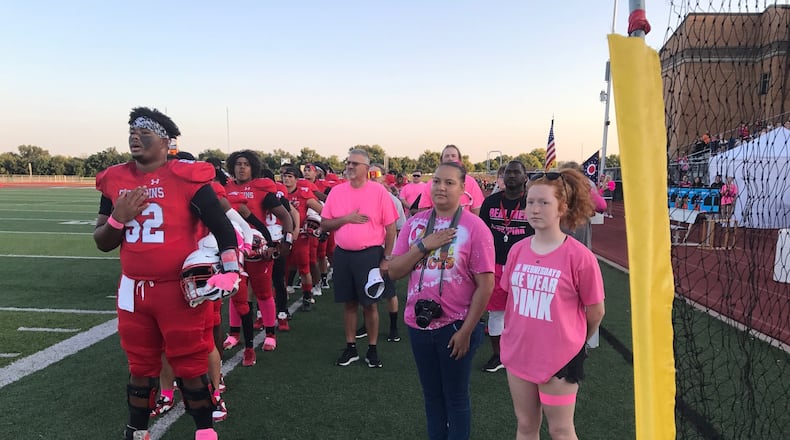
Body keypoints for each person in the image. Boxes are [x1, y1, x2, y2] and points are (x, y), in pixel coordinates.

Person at [94, 107, 241, 440]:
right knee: (139, 365)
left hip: (177, 288)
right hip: (133, 289)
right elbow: (102, 241)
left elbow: (221, 226)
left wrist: (231, 269)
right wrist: (119, 217)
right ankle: (138, 430)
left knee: (190, 362)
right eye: (132, 131)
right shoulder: (115, 178)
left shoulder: (187, 175)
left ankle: (204, 430)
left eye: (144, 133)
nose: (135, 137)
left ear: (166, 141)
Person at [388, 161, 494, 440]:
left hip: (457, 326)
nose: (441, 187)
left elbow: (486, 285)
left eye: (449, 183)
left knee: (456, 398)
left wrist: (467, 331)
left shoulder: (475, 228)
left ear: (463, 189)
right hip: (418, 323)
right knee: (432, 397)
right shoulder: (415, 224)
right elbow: (395, 271)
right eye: (436, 181)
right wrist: (424, 246)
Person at [500, 168, 605, 440]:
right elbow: (511, 297)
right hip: (519, 354)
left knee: (560, 430)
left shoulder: (579, 257)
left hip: (559, 360)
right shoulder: (517, 251)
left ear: (562, 207)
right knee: (525, 426)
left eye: (544, 202)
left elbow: (596, 311)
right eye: (530, 202)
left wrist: (573, 343)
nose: (534, 209)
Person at [320, 149, 398, 368]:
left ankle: (372, 349)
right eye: (349, 162)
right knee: (349, 304)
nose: (350, 166)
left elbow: (391, 228)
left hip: (370, 254)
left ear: (366, 168)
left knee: (370, 304)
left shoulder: (379, 192)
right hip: (343, 255)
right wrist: (347, 219)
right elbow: (325, 224)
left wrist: (386, 258)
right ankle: (351, 347)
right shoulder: (336, 192)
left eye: (355, 163)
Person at [477, 160, 534, 373]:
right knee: (496, 313)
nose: (511, 176)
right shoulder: (490, 202)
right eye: (507, 172)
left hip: (526, 267)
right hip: (496, 265)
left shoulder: (532, 202)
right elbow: (481, 235)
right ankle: (498, 355)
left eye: (516, 172)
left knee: (526, 313)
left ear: (525, 177)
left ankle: (525, 353)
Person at [355, 163, 407, 343]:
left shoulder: (392, 201)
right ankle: (366, 323)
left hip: (385, 250)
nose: (371, 178)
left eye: (375, 174)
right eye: (368, 174)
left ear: (383, 177)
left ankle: (393, 327)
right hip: (366, 250)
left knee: (390, 291)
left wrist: (391, 253)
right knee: (366, 290)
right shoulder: (360, 198)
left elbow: (400, 229)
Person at [418, 145, 485, 215]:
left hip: (465, 224)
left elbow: (477, 211)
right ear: (441, 160)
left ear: (459, 160)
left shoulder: (471, 182)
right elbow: (422, 212)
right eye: (447, 156)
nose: (450, 158)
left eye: (453, 156)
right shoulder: (431, 183)